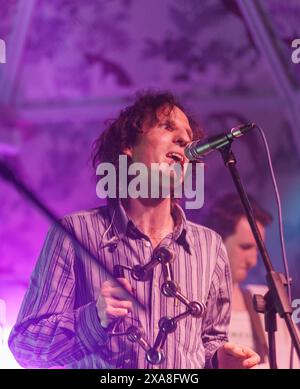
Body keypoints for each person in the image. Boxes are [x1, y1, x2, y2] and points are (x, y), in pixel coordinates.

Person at [8, 91, 260, 369]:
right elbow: (26, 347)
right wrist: (94, 317)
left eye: (188, 134)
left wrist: (220, 360)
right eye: (167, 126)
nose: (184, 139)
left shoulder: (210, 246)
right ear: (129, 145)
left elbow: (210, 341)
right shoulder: (75, 233)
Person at [203, 192, 300, 369]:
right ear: (217, 242)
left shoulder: (267, 299)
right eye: (245, 247)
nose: (253, 260)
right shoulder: (192, 305)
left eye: (257, 249)